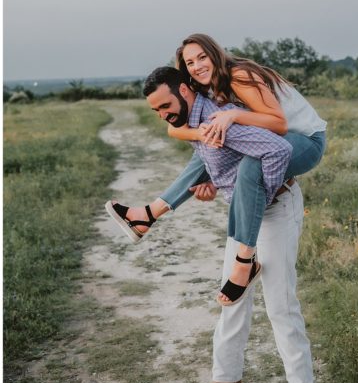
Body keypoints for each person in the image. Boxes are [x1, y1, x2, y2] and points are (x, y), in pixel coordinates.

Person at [106, 33, 327, 306]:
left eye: (202, 57)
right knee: (210, 138)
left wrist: (231, 115)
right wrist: (204, 137)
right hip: (270, 139)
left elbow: (278, 124)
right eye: (189, 63)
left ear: (215, 54)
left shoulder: (239, 75)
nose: (197, 66)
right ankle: (148, 214)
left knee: (249, 163)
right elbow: (174, 130)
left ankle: (246, 261)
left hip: (304, 139)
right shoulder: (203, 86)